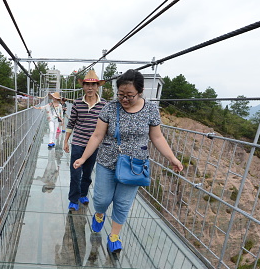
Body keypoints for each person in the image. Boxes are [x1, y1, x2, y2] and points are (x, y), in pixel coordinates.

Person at [73, 69, 183, 253]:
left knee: (123, 203)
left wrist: (171, 158)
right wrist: (83, 158)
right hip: (107, 161)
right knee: (101, 199)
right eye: (121, 94)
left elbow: (157, 137)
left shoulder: (151, 110)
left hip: (135, 165)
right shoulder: (109, 107)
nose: (124, 99)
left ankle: (114, 236)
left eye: (129, 95)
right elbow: (97, 135)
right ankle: (99, 214)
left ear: (139, 92)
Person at [63, 70, 107, 212]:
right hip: (78, 143)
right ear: (83, 86)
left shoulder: (104, 105)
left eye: (93, 85)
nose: (90, 88)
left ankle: (83, 194)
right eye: (87, 85)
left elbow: (107, 125)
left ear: (97, 87)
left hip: (94, 146)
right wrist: (65, 141)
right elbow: (71, 123)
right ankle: (73, 199)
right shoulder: (77, 103)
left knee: (87, 173)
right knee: (75, 173)